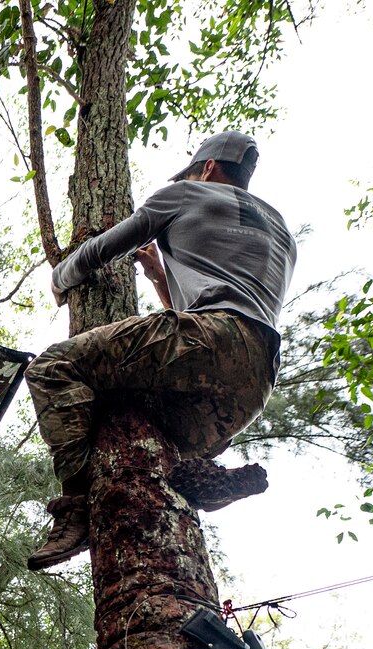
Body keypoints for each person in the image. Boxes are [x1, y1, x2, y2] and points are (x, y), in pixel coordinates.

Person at [25, 131, 296, 570]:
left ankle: (77, 506)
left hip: (210, 340)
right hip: (255, 380)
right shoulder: (283, 231)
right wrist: (159, 280)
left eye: (194, 171)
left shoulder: (185, 193)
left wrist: (62, 276)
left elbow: (107, 246)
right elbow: (224, 307)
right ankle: (199, 479)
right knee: (159, 447)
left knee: (52, 367)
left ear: (207, 168)